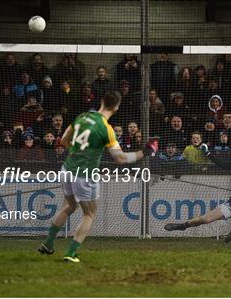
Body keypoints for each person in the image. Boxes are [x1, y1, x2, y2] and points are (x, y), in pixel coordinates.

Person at [38, 91, 159, 263]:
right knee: (90, 213)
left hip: (67, 169)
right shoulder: (106, 129)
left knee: (70, 206)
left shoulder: (82, 117)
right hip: (84, 175)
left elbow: (64, 140)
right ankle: (71, 254)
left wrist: (77, 152)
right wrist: (146, 152)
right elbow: (120, 158)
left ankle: (48, 244)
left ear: (101, 101)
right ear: (116, 107)